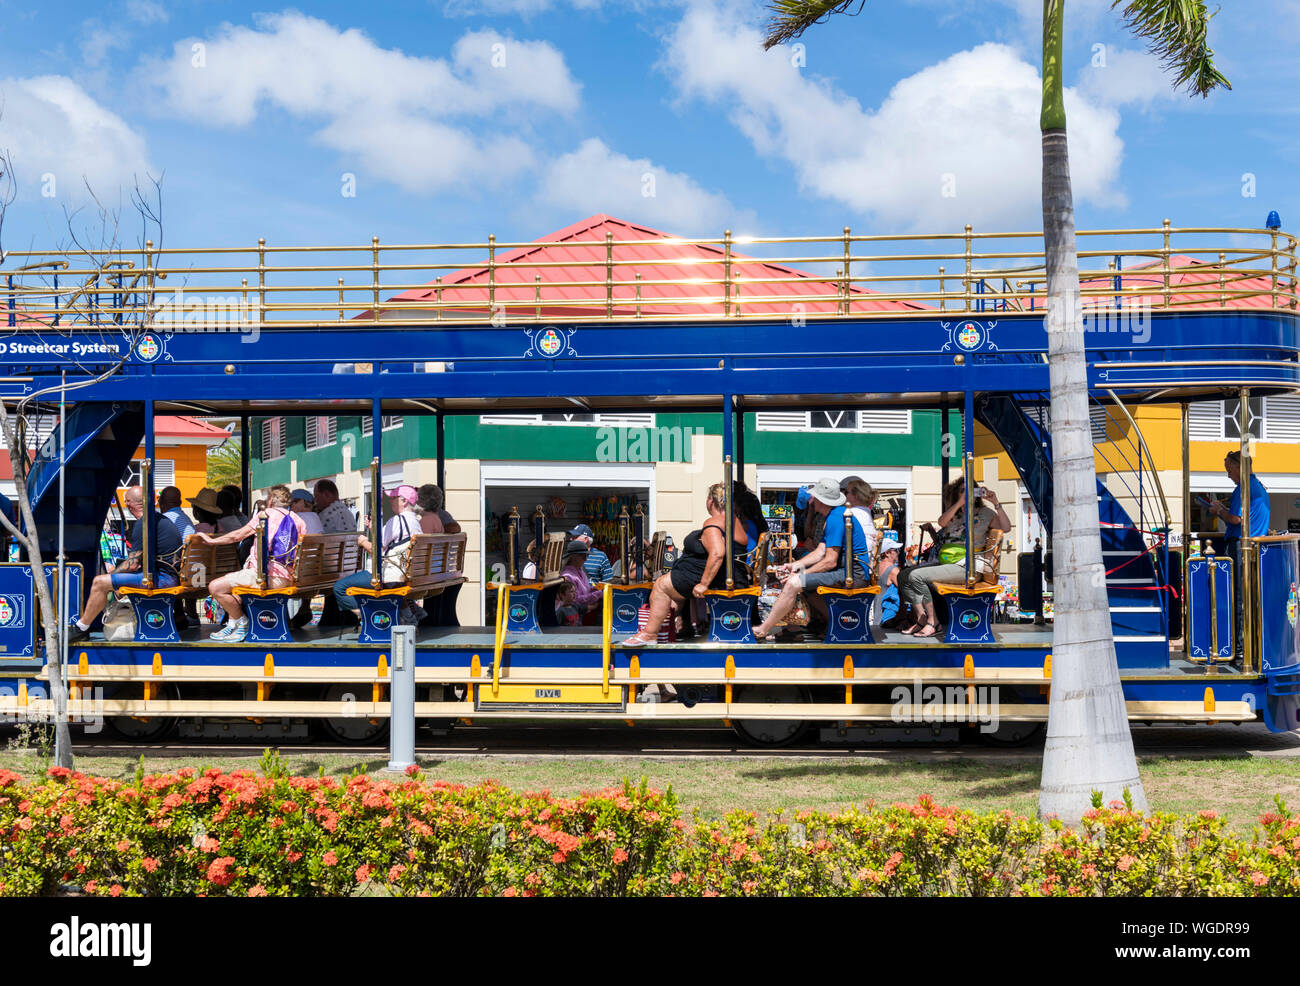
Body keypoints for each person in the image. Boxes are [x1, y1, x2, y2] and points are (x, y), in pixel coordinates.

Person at [621, 483, 751, 646]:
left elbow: (717, 553)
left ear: (711, 501)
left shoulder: (714, 522)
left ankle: (649, 633)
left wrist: (703, 584)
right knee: (673, 586)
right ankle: (677, 627)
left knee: (661, 585)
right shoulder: (735, 521)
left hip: (719, 578)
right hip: (725, 574)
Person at [754, 477, 870, 640]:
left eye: (814, 497)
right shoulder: (834, 516)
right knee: (799, 582)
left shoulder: (836, 518)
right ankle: (811, 626)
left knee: (794, 583)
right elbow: (820, 552)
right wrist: (794, 565)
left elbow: (830, 561)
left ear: (822, 500)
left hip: (852, 574)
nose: (811, 500)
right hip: (847, 570)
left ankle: (764, 628)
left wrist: (801, 575)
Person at [899, 478, 1010, 638]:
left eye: (970, 489)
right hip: (948, 562)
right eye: (962, 490)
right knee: (903, 575)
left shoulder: (986, 513)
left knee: (916, 577)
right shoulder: (954, 513)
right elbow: (942, 521)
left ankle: (933, 622)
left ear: (978, 493)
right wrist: (959, 503)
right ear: (956, 494)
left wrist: (995, 502)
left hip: (968, 566)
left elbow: (1005, 527)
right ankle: (922, 619)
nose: (967, 493)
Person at [68, 486, 182, 642]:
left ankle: (81, 628)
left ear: (128, 504)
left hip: (161, 579)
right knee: (110, 581)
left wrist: (111, 576)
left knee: (99, 582)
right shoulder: (159, 519)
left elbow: (133, 564)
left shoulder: (145, 523)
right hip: (169, 576)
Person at [196, 485, 307, 643]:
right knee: (235, 586)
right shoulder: (298, 519)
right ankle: (233, 623)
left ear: (270, 500)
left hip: (264, 576)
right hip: (287, 577)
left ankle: (243, 623)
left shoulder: (265, 515)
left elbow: (238, 536)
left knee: (215, 587)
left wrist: (211, 541)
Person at [1207, 451, 1270, 656]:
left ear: (1239, 467)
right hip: (1252, 548)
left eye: (1229, 469)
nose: (1228, 475)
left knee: (1238, 598)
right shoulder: (1256, 486)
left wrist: (1219, 511)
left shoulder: (1244, 488)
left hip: (1240, 548)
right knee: (1244, 598)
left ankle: (1239, 649)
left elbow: (1236, 519)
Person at [332, 485, 423, 623]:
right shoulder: (415, 521)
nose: (390, 501)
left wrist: (362, 541)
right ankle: (406, 617)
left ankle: (370, 615)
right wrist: (373, 528)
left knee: (339, 588)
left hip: (388, 573)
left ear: (404, 501)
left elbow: (377, 550)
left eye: (393, 498)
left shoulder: (398, 520)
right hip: (403, 571)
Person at [560, 539, 603, 616]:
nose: (586, 559)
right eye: (583, 556)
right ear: (574, 557)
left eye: (587, 556)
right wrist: (599, 594)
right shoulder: (567, 576)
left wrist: (597, 588)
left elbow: (586, 591)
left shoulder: (581, 571)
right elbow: (575, 600)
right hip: (578, 616)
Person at [875, 535, 903, 628]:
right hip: (886, 617)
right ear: (887, 553)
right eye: (896, 550)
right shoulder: (893, 570)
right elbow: (905, 591)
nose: (898, 553)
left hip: (875, 614)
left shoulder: (876, 566)